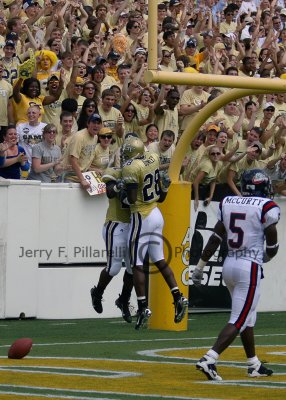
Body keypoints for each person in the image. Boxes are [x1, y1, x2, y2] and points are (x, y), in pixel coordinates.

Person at [191, 169, 280, 381]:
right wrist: (265, 257)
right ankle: (209, 358)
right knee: (239, 319)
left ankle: (254, 364)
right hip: (249, 268)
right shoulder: (267, 207)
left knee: (248, 317)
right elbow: (273, 245)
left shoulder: (229, 202)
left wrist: (200, 266)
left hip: (229, 264)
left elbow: (215, 238)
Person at [121, 137, 188, 330]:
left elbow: (132, 199)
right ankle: (178, 296)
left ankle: (143, 306)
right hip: (156, 212)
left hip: (141, 215)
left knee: (137, 264)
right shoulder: (152, 156)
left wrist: (123, 189)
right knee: (159, 260)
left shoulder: (131, 167)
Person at [90, 140, 133, 323]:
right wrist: (120, 185)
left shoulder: (139, 171)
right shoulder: (113, 172)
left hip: (133, 225)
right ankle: (97, 292)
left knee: (134, 268)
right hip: (115, 225)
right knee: (114, 267)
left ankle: (123, 300)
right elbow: (109, 192)